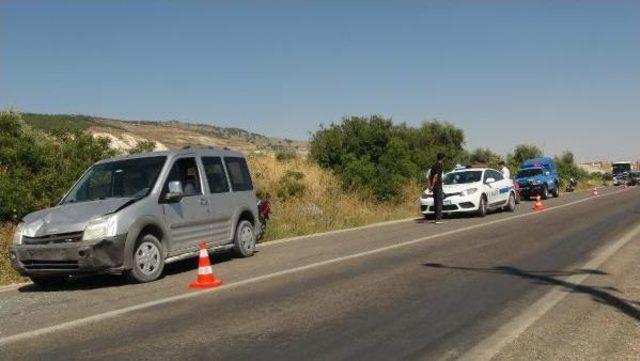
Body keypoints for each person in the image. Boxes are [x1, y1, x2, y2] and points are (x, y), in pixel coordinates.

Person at [429, 152, 446, 224]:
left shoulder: (433, 165)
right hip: (437, 186)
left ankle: (436, 218)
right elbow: (435, 176)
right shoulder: (439, 165)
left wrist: (431, 186)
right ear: (442, 158)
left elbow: (430, 176)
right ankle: (438, 219)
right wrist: (432, 185)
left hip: (435, 186)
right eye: (444, 158)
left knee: (436, 202)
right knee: (439, 202)